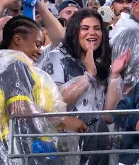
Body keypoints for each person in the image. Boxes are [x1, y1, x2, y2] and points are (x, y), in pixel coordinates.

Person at [40, 9, 129, 165]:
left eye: (97, 28)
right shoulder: (56, 57)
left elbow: (108, 116)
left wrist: (114, 75)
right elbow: (55, 104)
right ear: (75, 31)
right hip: (64, 145)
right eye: (85, 28)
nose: (92, 33)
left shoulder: (101, 62)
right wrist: (88, 76)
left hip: (97, 145)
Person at [0, 15, 86, 165]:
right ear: (18, 39)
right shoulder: (15, 65)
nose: (40, 51)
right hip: (19, 150)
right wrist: (63, 121)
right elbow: (19, 111)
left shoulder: (11, 65)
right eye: (37, 44)